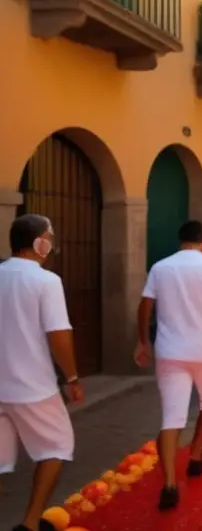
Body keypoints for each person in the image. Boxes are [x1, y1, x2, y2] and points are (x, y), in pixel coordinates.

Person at [135, 219, 202, 511]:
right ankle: (195, 457)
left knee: (171, 419)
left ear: (180, 240)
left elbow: (145, 306)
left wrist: (142, 341)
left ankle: (169, 482)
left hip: (169, 351)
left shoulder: (161, 267)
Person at [0, 215, 81, 531]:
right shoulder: (46, 281)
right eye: (49, 236)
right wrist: (72, 377)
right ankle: (31, 523)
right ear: (39, 243)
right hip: (33, 387)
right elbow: (59, 333)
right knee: (56, 447)